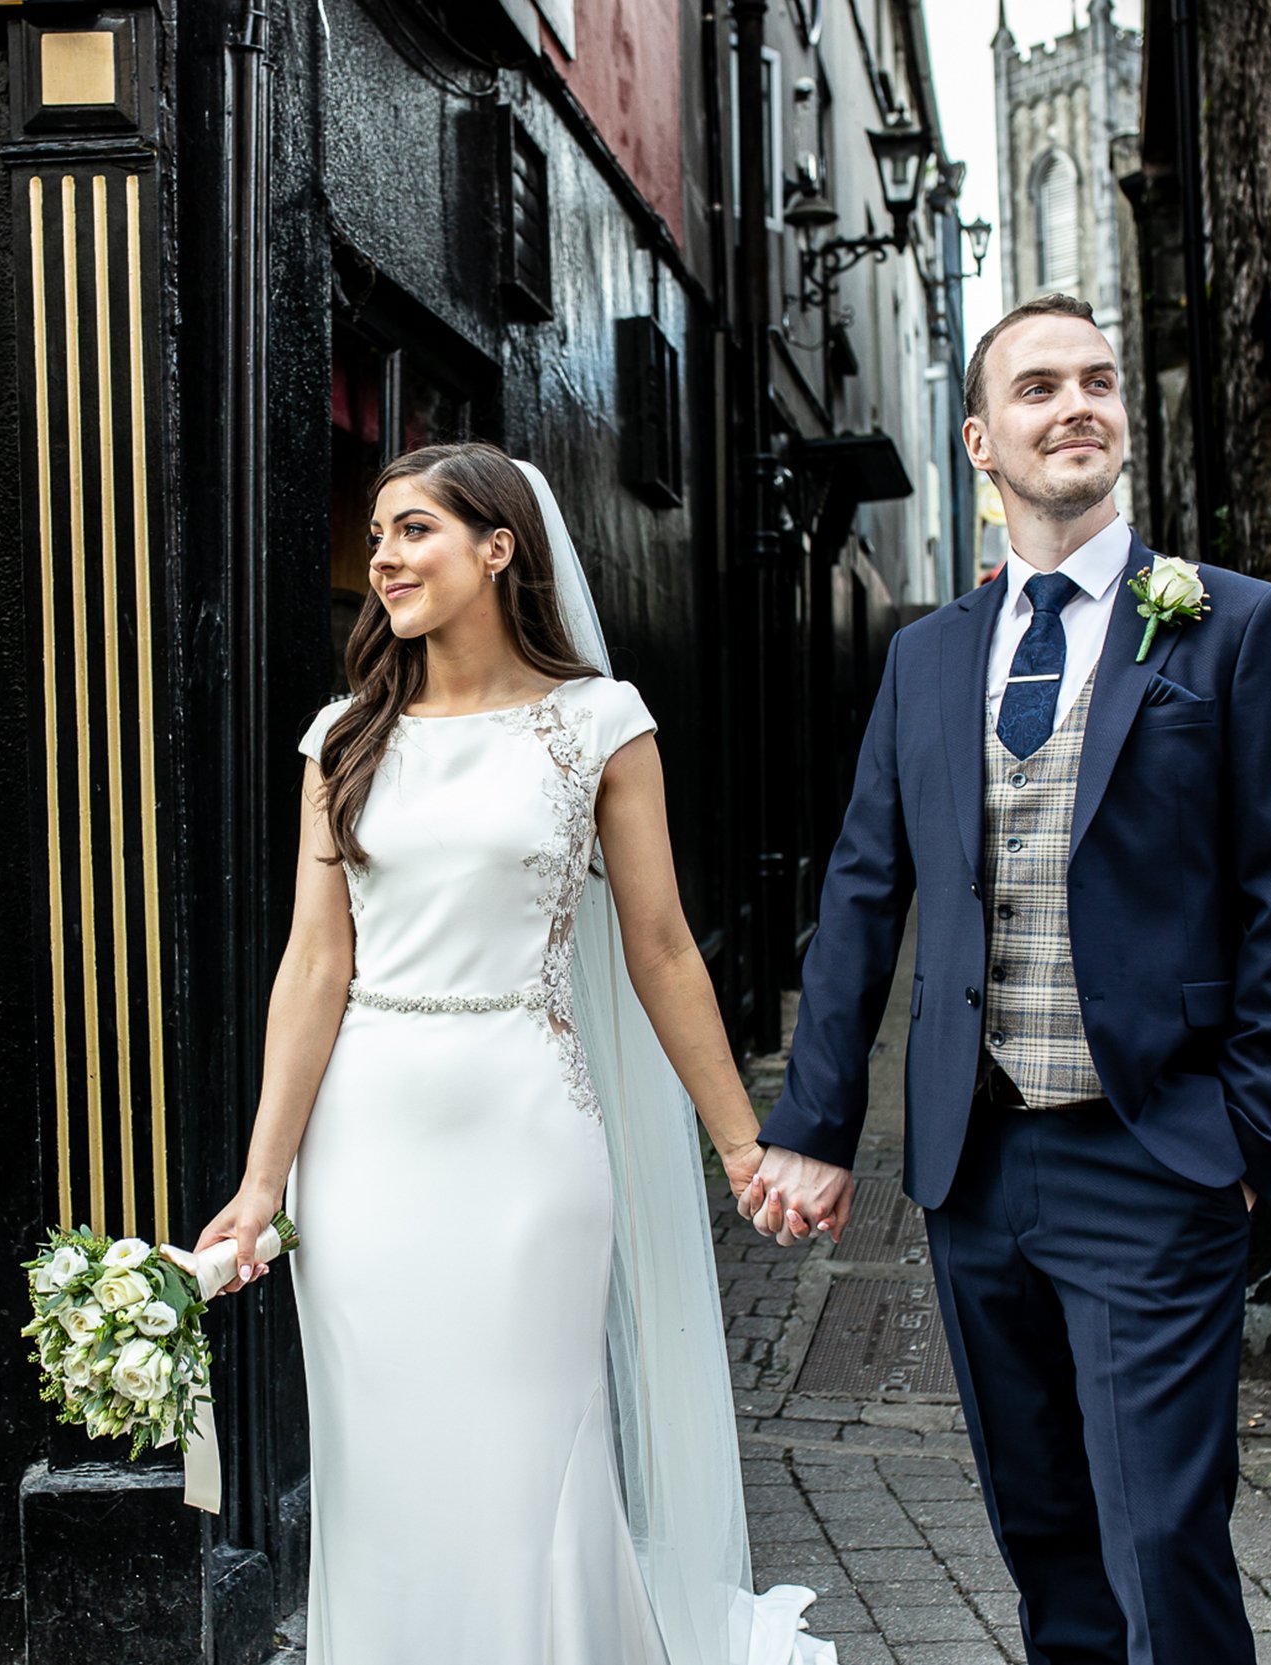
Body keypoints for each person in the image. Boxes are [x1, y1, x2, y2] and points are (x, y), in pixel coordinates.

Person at [746, 292, 1271, 1665]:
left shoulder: (1233, 629)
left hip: (1157, 1151)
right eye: (1038, 388)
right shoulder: (927, 657)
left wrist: (1245, 1137)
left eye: (1099, 381)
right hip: (974, 1168)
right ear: (980, 442)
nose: (1077, 404)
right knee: (1046, 1540)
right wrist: (816, 1130)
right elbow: (862, 892)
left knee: (1162, 1538)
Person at [196, 441, 831, 1664]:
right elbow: (314, 966)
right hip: (366, 1145)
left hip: (528, 1136)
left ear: (498, 549)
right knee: (383, 1462)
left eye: (415, 529)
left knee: (530, 1448)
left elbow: (658, 950)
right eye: (377, 534)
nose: (383, 556)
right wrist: (262, 1183)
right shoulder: (343, 739)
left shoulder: (598, 723)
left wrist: (743, 1144)